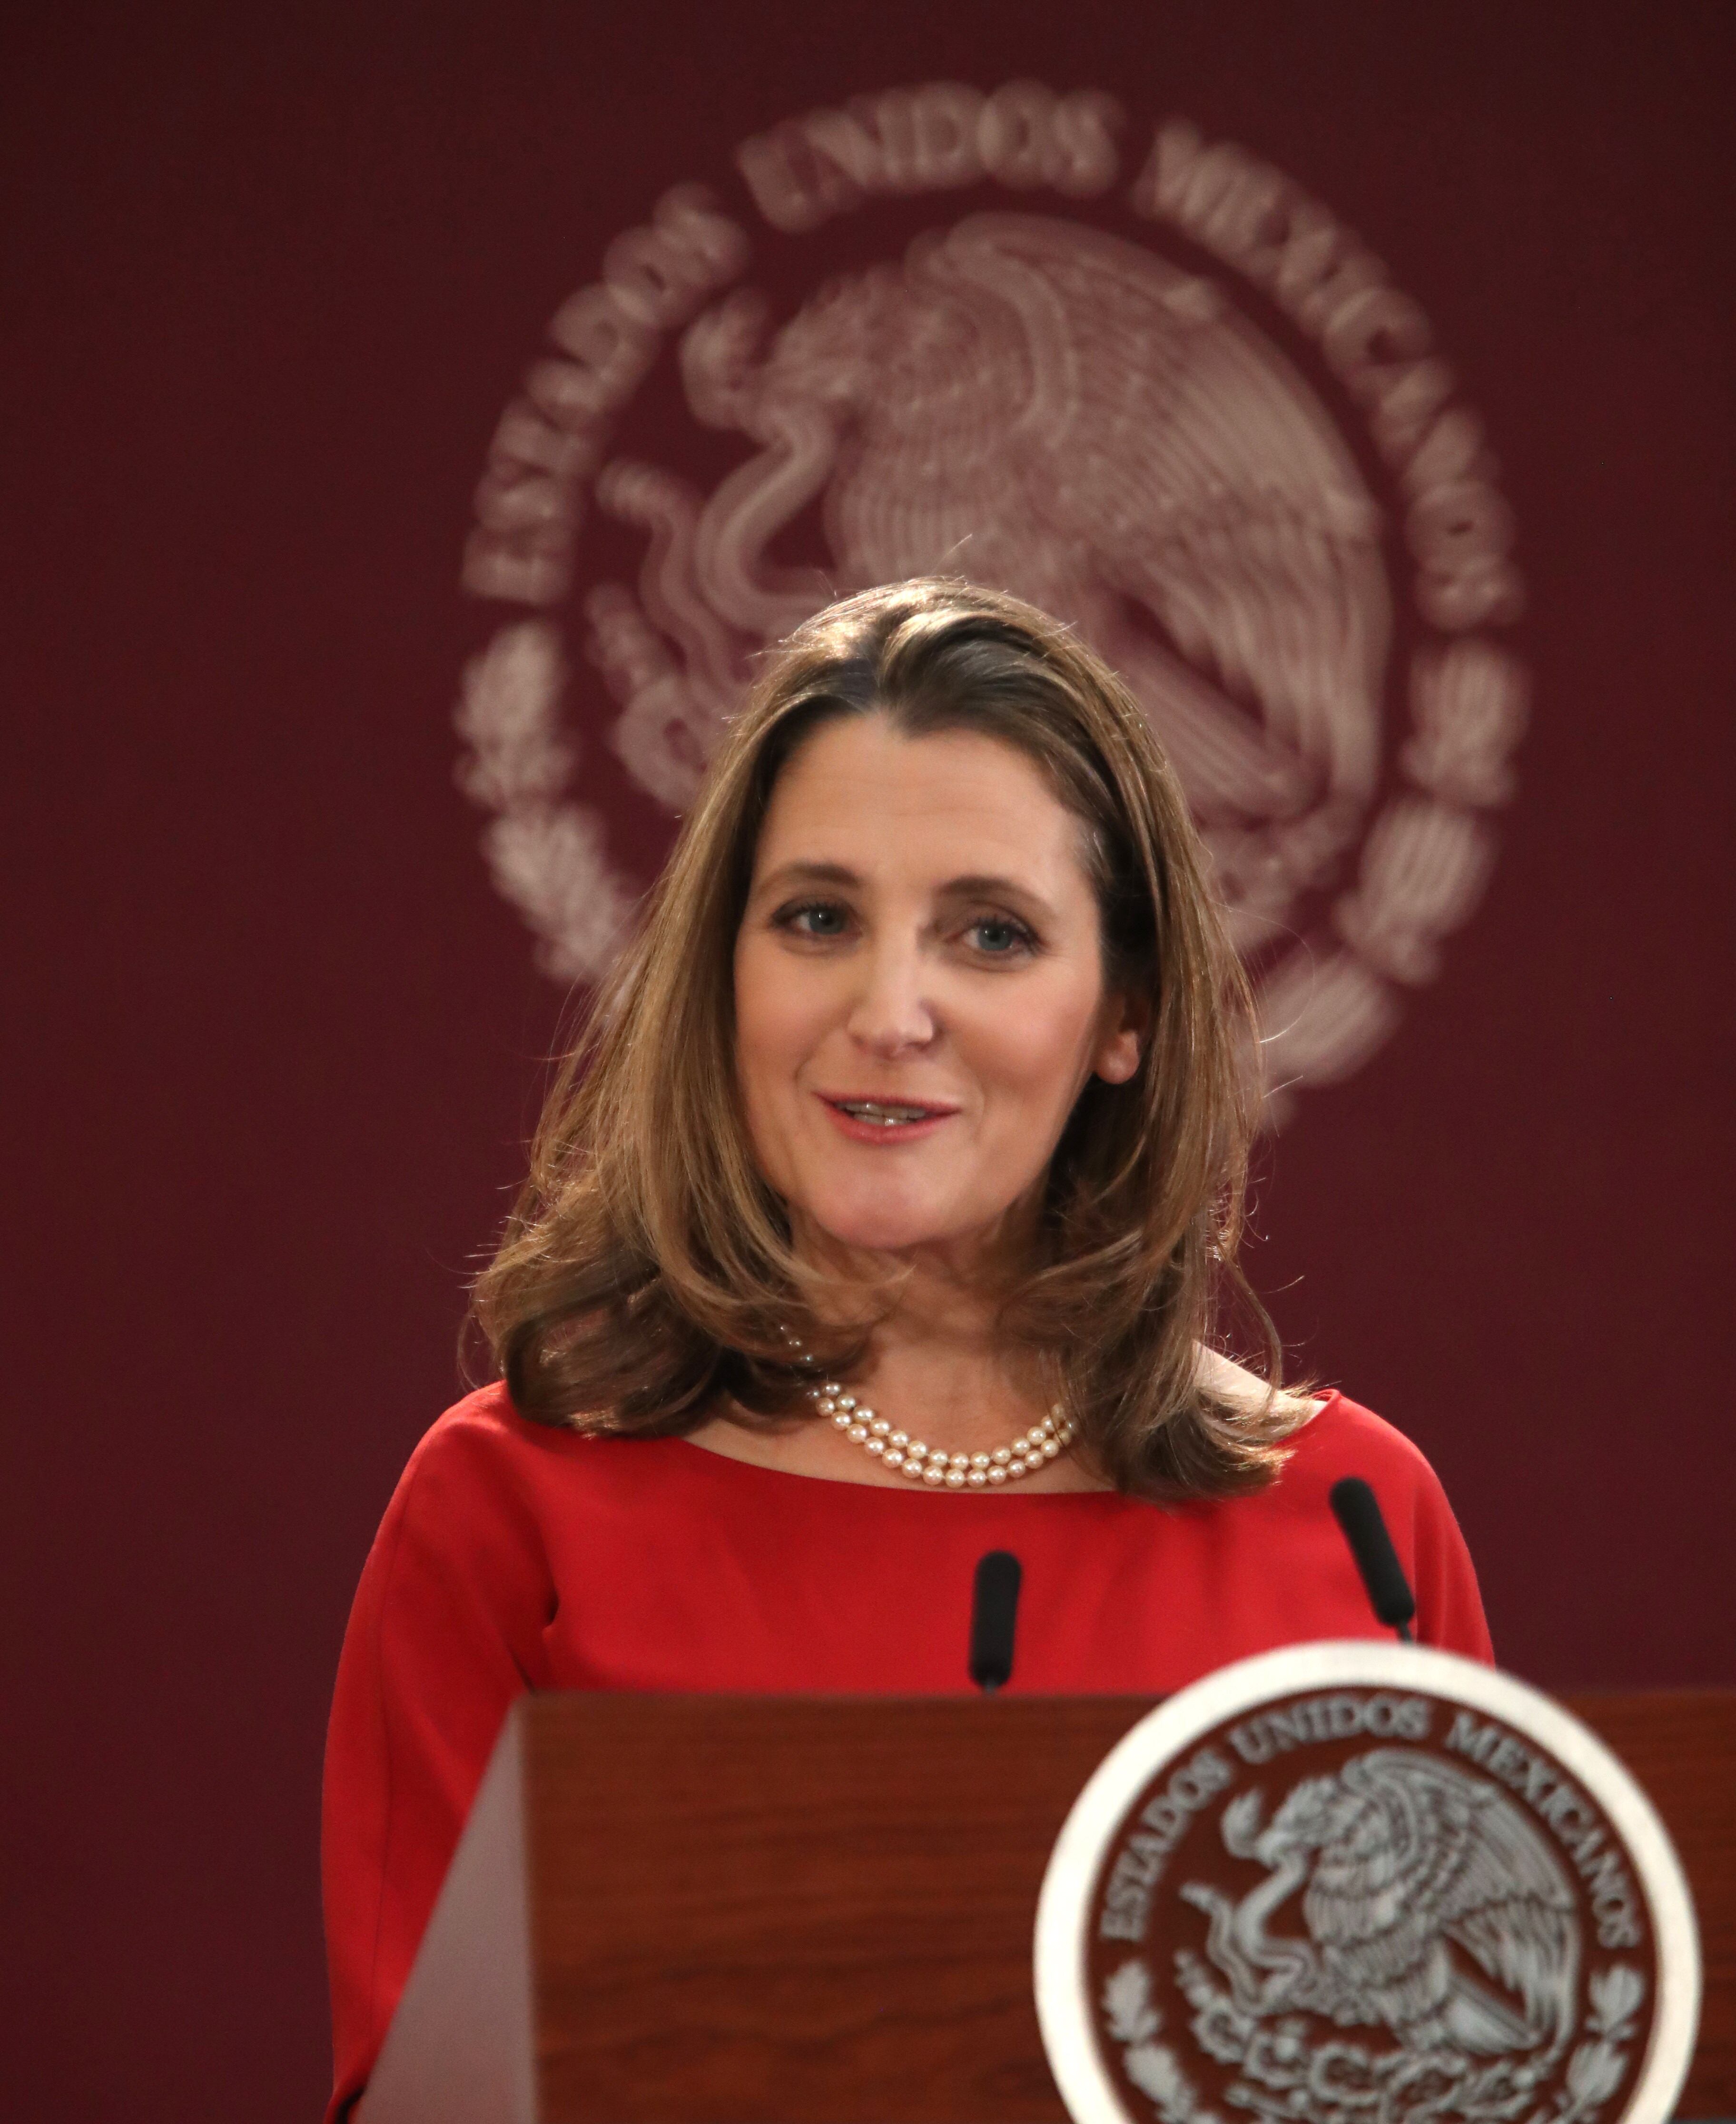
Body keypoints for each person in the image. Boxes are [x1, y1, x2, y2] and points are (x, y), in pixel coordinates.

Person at [320, 579, 1491, 2120]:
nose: (890, 1010)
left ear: (1123, 1013)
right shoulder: (511, 1507)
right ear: (727, 967)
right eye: (818, 919)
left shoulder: (1354, 1519)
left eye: (990, 935)